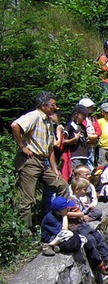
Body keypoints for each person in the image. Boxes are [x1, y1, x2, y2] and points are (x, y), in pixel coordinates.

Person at [12, 91, 69, 229]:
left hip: (43, 162)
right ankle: (25, 233)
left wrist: (55, 168)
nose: (55, 108)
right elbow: (15, 125)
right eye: (53, 105)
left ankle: (55, 222)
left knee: (62, 185)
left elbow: (49, 149)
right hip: (30, 161)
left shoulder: (48, 121)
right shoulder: (35, 116)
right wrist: (22, 146)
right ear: (43, 105)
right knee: (28, 200)